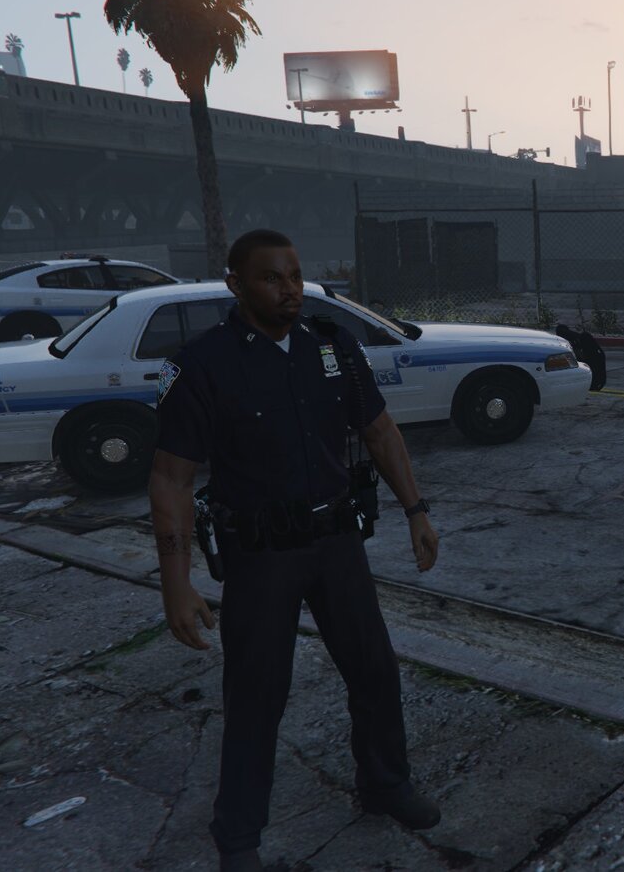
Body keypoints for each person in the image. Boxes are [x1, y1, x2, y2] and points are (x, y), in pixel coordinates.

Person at [149, 229, 443, 872]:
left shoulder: (331, 347)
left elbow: (380, 432)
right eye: (271, 278)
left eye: (295, 276)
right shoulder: (202, 364)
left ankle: (385, 784)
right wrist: (176, 581)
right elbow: (170, 478)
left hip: (337, 542)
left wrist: (416, 510)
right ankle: (238, 837)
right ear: (236, 285)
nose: (289, 289)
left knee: (374, 671)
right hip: (261, 556)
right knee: (256, 694)